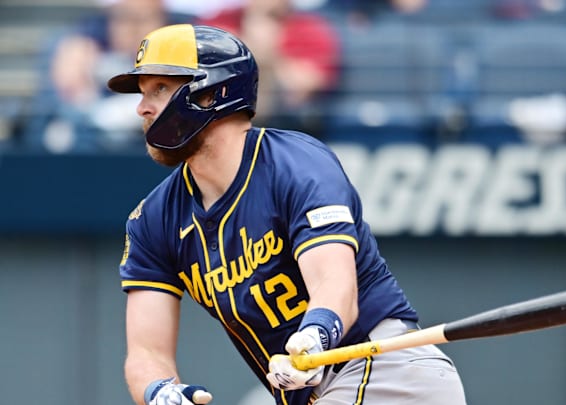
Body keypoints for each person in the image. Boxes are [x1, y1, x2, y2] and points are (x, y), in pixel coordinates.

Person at [108, 24, 467, 405]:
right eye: (144, 93)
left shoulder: (295, 163)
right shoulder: (153, 218)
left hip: (386, 368)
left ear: (211, 93)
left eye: (159, 89)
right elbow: (146, 354)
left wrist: (314, 335)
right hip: (316, 393)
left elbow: (335, 287)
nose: (142, 107)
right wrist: (161, 391)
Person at [23, 0, 191, 153]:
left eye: (144, 19)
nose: (133, 28)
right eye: (124, 18)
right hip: (94, 144)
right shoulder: (82, 44)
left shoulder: (183, 47)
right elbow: (70, 99)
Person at [197, 0, 340, 133]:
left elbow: (304, 88)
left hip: (284, 126)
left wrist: (268, 52)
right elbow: (199, 76)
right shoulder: (221, 21)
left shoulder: (309, 27)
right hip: (217, 123)